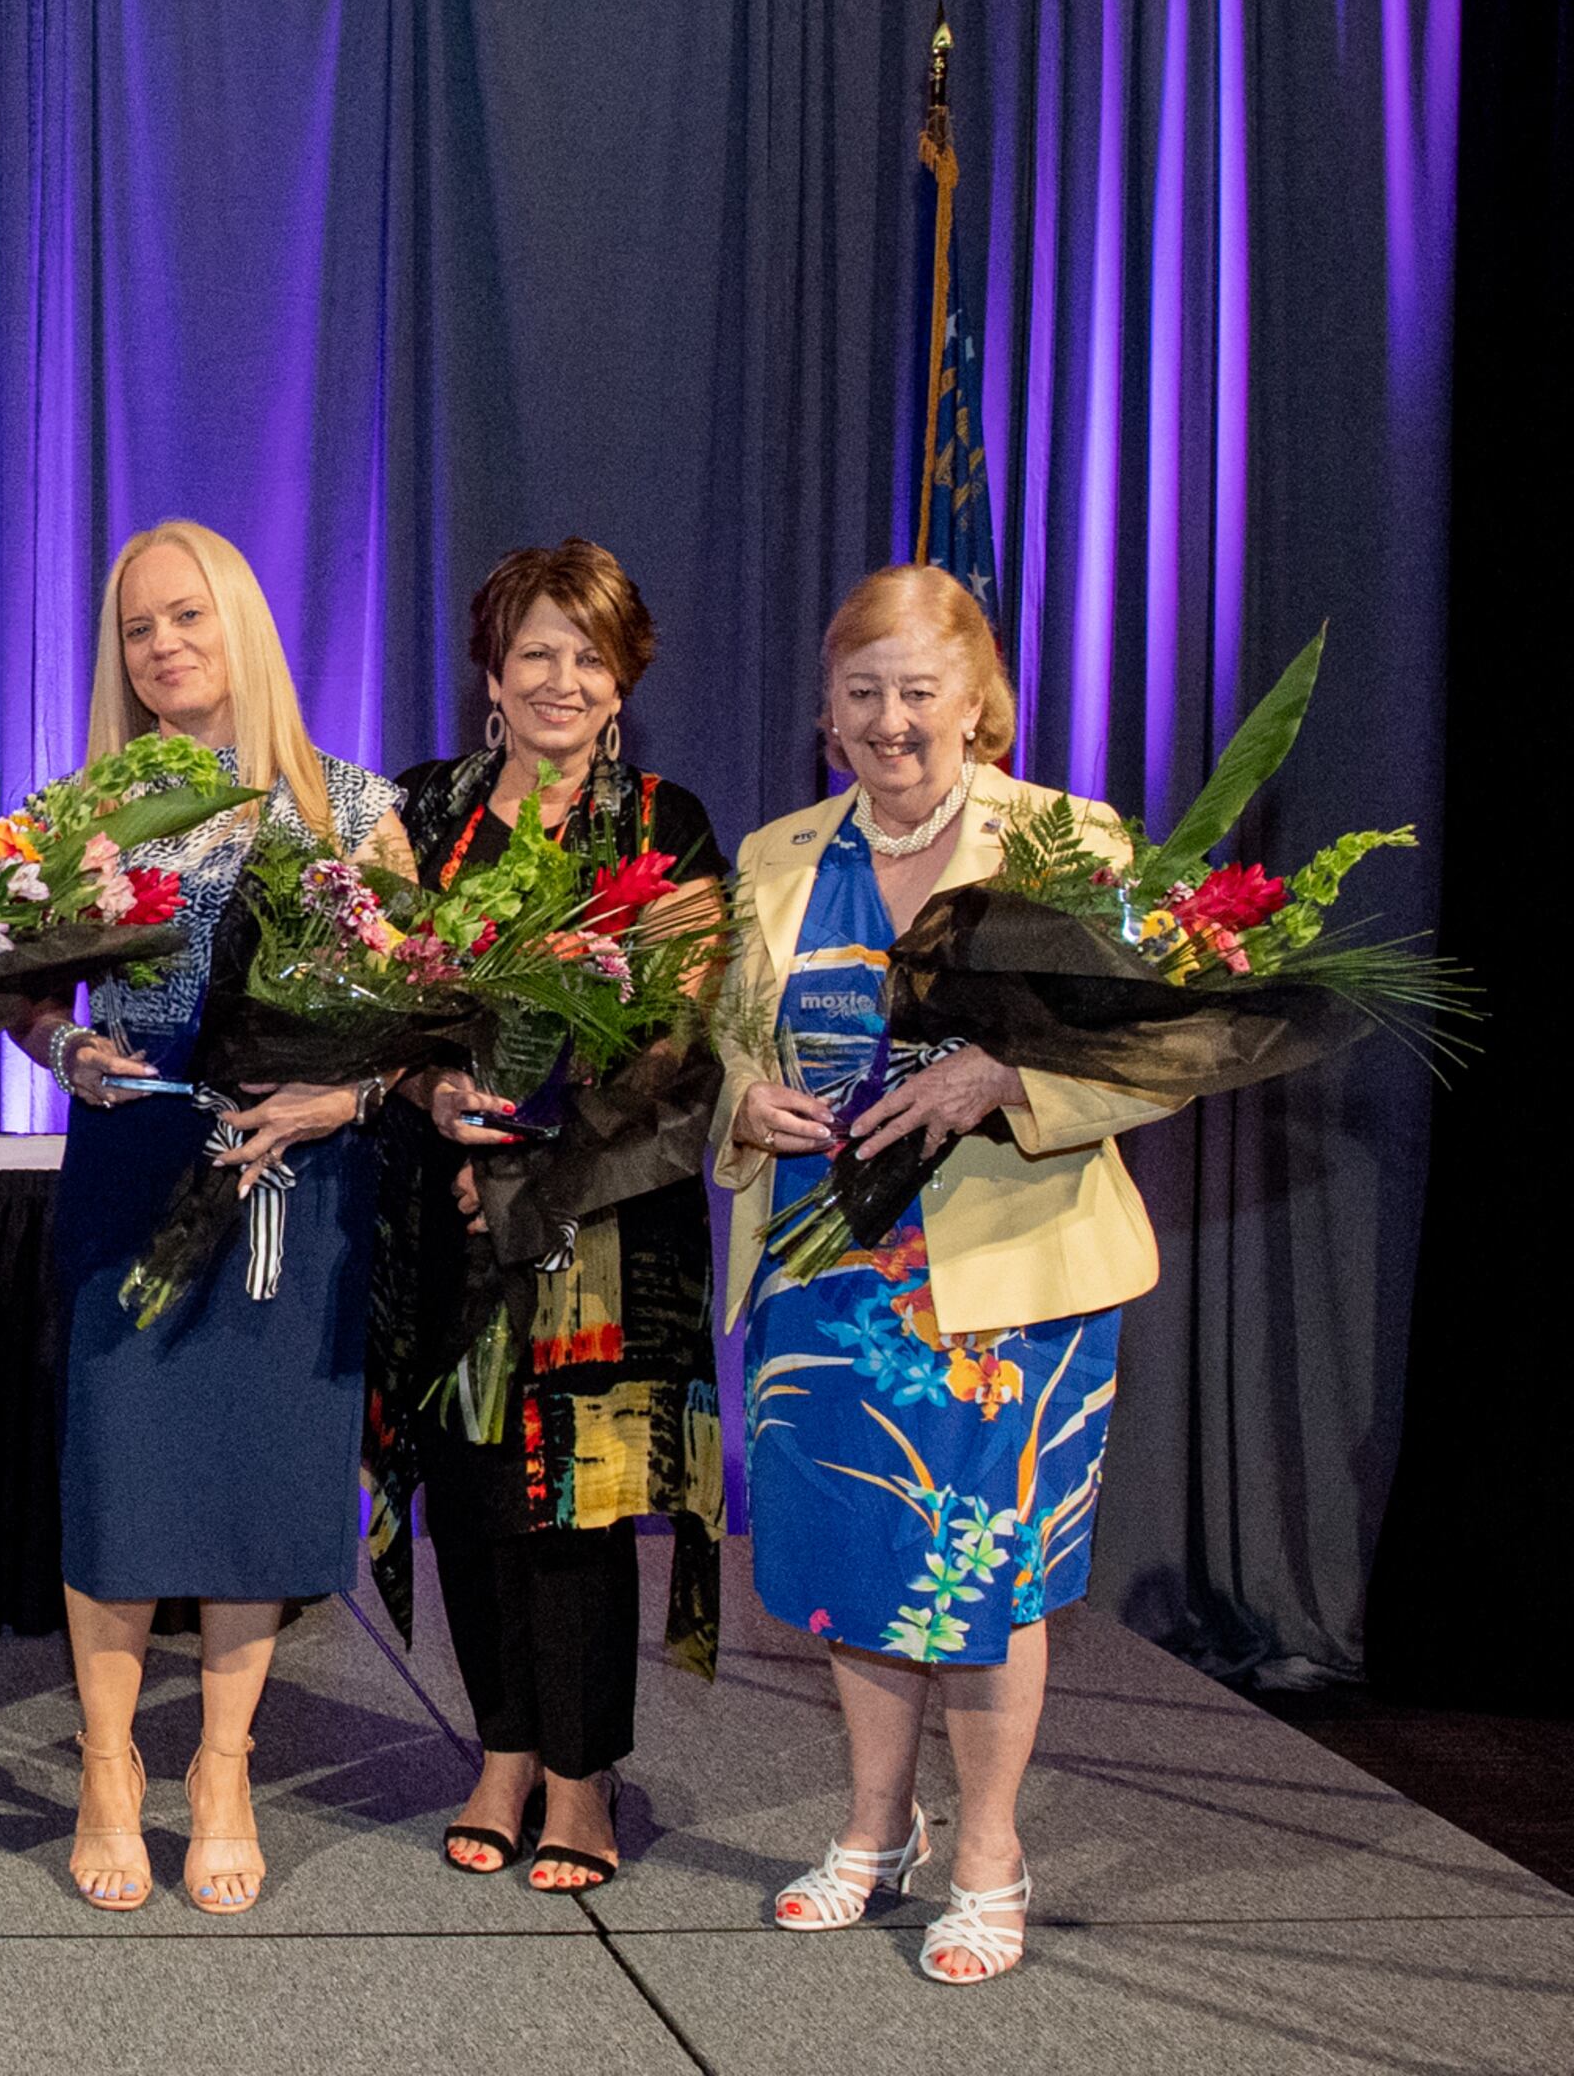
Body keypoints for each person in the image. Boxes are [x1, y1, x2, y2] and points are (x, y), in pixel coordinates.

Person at [718, 564, 1172, 1986]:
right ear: (826, 712)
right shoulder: (777, 855)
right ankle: (874, 1831)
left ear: (979, 702)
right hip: (821, 1279)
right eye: (862, 692)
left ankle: (989, 1854)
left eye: (920, 690)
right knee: (858, 1563)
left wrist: (1006, 1079)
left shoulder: (1067, 842)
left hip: (1007, 1290)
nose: (892, 720)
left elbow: (1160, 1046)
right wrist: (740, 1102)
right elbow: (722, 1046)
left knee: (980, 1572)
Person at [7, 519, 413, 1916]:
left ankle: (225, 1766)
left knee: (258, 1482)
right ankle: (109, 1765)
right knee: (119, 1476)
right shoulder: (86, 809)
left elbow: (421, 1019)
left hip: (295, 1180)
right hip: (135, 1161)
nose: (164, 644)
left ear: (242, 623)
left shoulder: (353, 810)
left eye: (187, 616)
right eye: (138, 627)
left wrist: (344, 1096)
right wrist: (63, 1049)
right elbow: (17, 986)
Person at [369, 539, 729, 1895]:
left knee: (579, 1496)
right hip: (444, 1205)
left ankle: (582, 1779)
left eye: (589, 654)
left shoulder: (667, 826)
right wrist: (433, 1090)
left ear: (624, 678)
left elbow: (676, 1039)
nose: (560, 679)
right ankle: (503, 1752)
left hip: (601, 1215)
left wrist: (531, 1153)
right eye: (535, 651)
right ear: (492, 672)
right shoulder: (420, 812)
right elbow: (375, 1001)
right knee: (469, 1485)